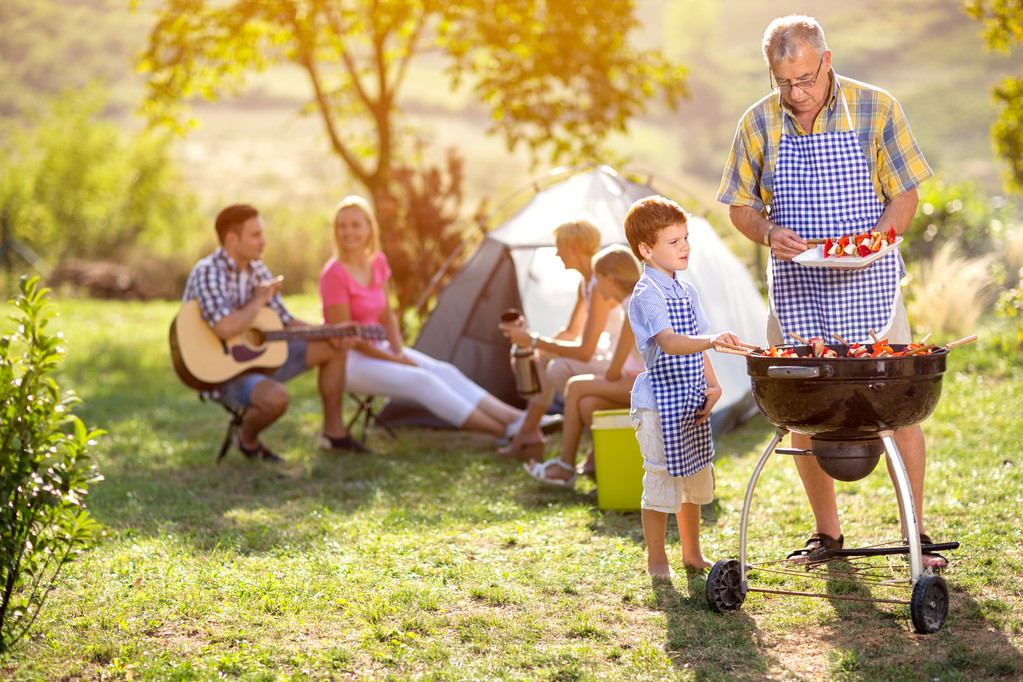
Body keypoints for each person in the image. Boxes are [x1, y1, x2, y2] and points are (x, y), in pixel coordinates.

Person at [717, 15, 944, 569]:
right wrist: (768, 232)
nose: (796, 93)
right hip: (797, 285)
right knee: (799, 412)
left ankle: (916, 532)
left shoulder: (877, 108)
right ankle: (827, 534)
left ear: (827, 61)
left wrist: (875, 242)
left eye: (805, 79)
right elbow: (740, 206)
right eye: (783, 82)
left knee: (899, 410)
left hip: (870, 282)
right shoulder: (757, 123)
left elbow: (904, 195)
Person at [318, 195, 525, 438]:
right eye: (342, 226)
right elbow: (347, 337)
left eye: (355, 225)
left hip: (381, 349)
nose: (348, 232)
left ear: (368, 228)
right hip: (348, 361)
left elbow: (386, 316)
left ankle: (520, 419)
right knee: (423, 381)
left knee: (445, 371)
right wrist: (395, 360)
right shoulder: (333, 273)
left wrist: (397, 352)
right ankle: (505, 432)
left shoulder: (377, 262)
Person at [182, 204, 368, 461]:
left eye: (263, 234)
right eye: (256, 235)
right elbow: (224, 328)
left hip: (259, 361)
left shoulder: (257, 269)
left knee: (333, 345)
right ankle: (246, 440)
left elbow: (286, 321)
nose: (264, 242)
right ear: (231, 239)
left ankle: (333, 435)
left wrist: (330, 331)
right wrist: (258, 300)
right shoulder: (208, 272)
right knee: (277, 398)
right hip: (220, 373)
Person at [624, 195, 739, 577]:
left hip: (689, 397)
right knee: (661, 480)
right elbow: (672, 342)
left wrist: (714, 384)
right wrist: (712, 340)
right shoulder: (647, 293)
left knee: (691, 475)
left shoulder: (685, 291)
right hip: (658, 402)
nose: (685, 246)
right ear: (646, 249)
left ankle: (692, 552)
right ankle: (657, 559)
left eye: (686, 238)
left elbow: (694, 337)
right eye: (674, 242)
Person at [498, 217, 622, 461]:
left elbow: (585, 351)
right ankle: (529, 432)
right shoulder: (586, 284)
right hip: (606, 356)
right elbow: (571, 333)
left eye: (560, 247)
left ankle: (545, 440)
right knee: (546, 362)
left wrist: (534, 341)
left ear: (574, 247)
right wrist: (534, 352)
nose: (557, 254)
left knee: (558, 367)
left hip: (619, 361)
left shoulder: (600, 285)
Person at [523, 244, 644, 487]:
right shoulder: (633, 303)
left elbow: (613, 371)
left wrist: (596, 381)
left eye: (598, 280)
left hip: (643, 383)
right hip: (635, 380)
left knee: (576, 387)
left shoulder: (633, 309)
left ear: (610, 280)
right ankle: (603, 462)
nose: (595, 288)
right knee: (587, 403)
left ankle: (566, 466)